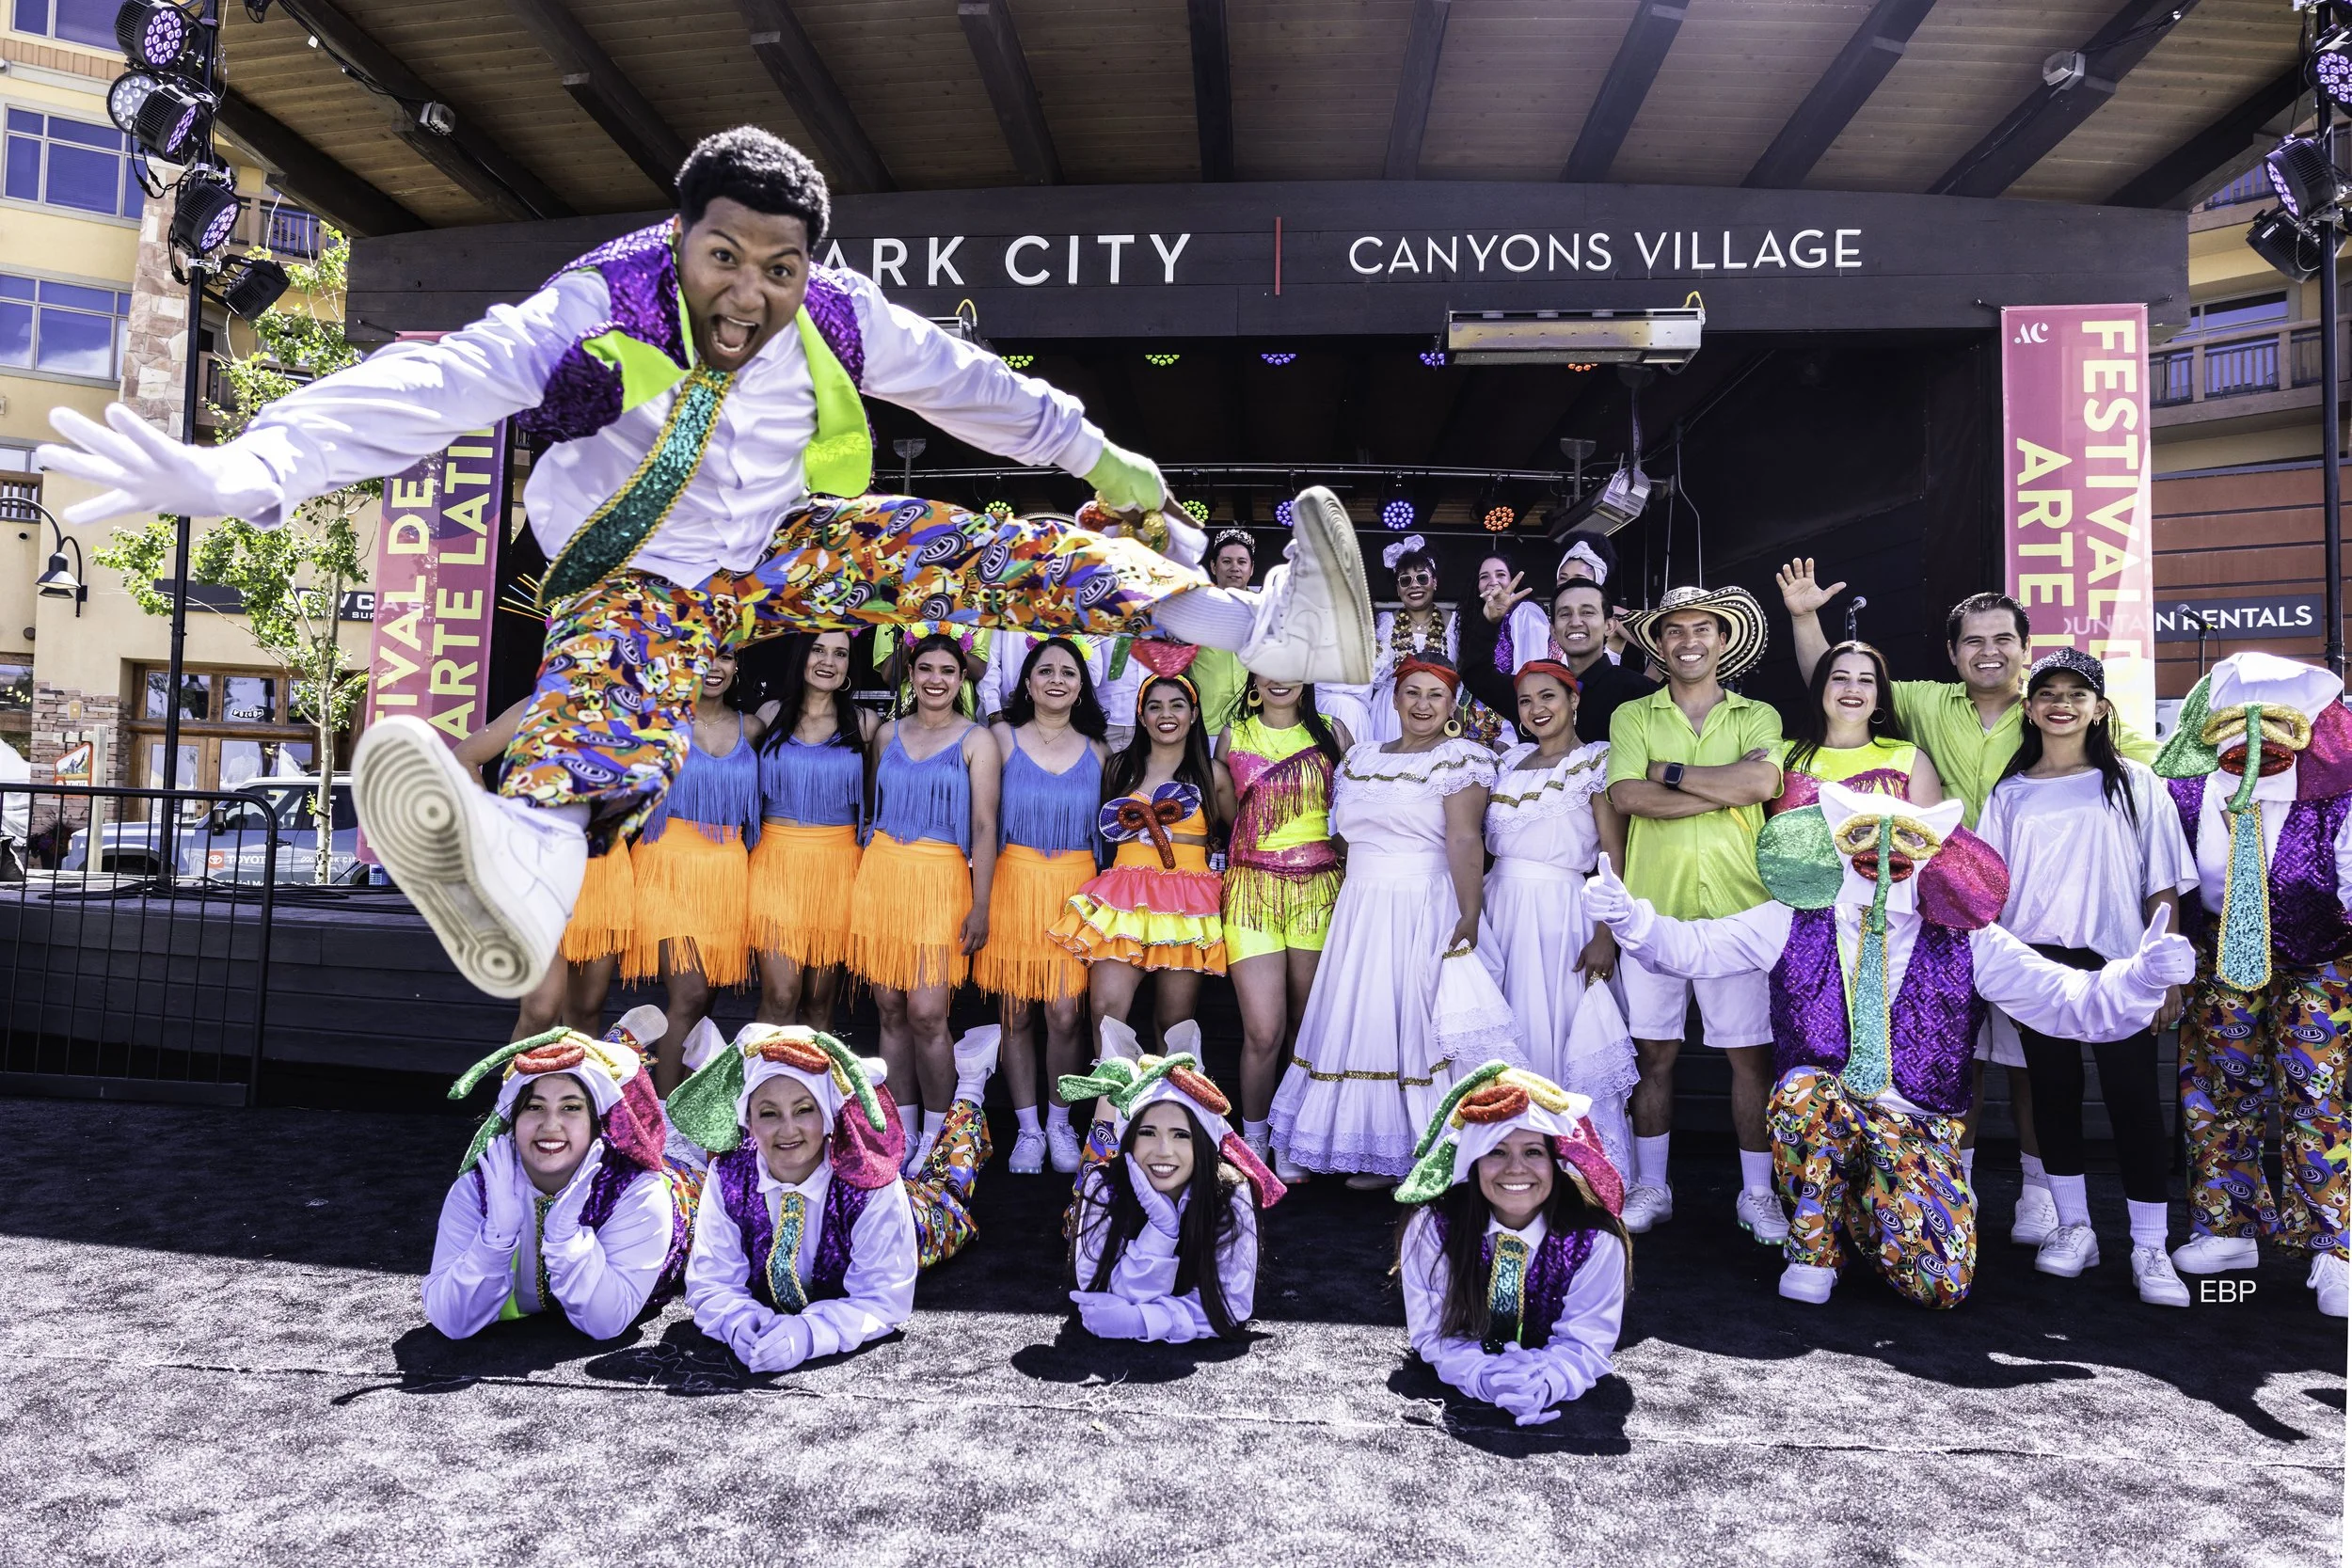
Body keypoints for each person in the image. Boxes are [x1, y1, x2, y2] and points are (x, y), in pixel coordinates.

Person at [40, 126, 1375, 1004]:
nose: (749, 294)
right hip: (640, 567)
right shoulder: (599, 303)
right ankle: (533, 855)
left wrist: (1107, 464)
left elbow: (982, 393)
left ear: (813, 268)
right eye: (725, 259)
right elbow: (439, 381)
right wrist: (252, 471)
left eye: (780, 270)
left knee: (968, 549)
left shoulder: (840, 318)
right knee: (613, 663)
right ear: (679, 240)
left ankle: (1259, 627)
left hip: (782, 548)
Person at [1586, 778, 2195, 1307]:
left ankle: (1863, 1212)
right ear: (1839, 845)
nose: (1883, 853)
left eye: (1903, 839)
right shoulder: (1789, 919)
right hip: (1829, 1111)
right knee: (1804, 1095)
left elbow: (2065, 997)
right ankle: (1815, 1245)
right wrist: (1628, 916)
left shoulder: (1970, 938)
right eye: (1864, 837)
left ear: (1931, 854)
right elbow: (1696, 948)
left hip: (1920, 1132)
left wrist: (2140, 975)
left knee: (1942, 1286)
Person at [1776, 563, 2158, 1243]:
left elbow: (2137, 772)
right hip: (1938, 914)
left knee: (2033, 1065)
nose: (1989, 650)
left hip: (2033, 916)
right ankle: (1955, 1179)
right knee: (1959, 1056)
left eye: (2003, 638)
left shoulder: (2054, 708)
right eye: (1973, 640)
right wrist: (1806, 619)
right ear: (1953, 654)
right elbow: (1840, 687)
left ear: (2023, 645)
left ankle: (2041, 1193)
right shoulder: (1926, 702)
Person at [1975, 650, 2195, 1305]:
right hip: (2034, 965)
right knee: (2052, 1093)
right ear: (2029, 706)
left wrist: (2165, 973)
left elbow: (2162, 883)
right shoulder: (2010, 794)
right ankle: (2076, 1229)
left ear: (2100, 706)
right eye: (2048, 692)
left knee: (2132, 1100)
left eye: (2078, 692)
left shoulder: (2135, 782)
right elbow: (1988, 888)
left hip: (2121, 966)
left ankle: (2151, 1247)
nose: (2062, 703)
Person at [2154, 652, 2352, 1318]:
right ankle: (2227, 1227)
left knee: (2315, 1095)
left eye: (2277, 722)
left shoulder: (2338, 792)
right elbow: (2168, 883)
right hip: (2221, 955)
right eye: (2241, 722)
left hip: (2319, 955)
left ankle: (2336, 1247)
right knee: (2216, 1090)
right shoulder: (2186, 792)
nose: (2258, 737)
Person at [1270, 657, 1495, 1188]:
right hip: (1362, 903)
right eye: (1411, 693)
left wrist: (1470, 912)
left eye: (1435, 696)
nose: (1421, 705)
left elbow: (1465, 839)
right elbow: (1343, 835)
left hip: (1422, 899)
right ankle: (1370, 1146)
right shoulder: (1360, 758)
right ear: (1392, 700)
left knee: (1413, 1021)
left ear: (1452, 706)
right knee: (1359, 1016)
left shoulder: (1461, 759)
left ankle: (1417, 1147)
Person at [1603, 585, 1783, 1241]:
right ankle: (1653, 1186)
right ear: (1659, 642)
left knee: (1749, 1059)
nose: (1688, 641)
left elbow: (1763, 784)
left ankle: (1757, 1194)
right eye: (1675, 631)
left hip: (1743, 908)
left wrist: (1670, 773)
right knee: (1653, 1053)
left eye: (1701, 628)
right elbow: (1626, 795)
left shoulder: (1757, 712)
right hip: (1655, 908)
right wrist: (1721, 786)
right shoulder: (1633, 714)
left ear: (1723, 637)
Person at [670, 1022, 1001, 1372]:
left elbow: (884, 1299)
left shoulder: (867, 1182)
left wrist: (810, 1334)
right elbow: (711, 1283)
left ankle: (970, 1085)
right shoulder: (729, 1176)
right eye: (769, 1113)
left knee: (947, 1187)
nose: (787, 1130)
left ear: (828, 1116)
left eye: (804, 1110)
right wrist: (737, 1322)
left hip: (915, 1218)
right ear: (748, 1121)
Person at [423, 1009, 695, 1339]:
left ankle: (626, 1050)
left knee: (692, 1153)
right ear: (514, 1119)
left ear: (598, 1124)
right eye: (534, 1107)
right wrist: (496, 1236)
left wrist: (567, 1239)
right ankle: (610, 1048)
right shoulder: (477, 1189)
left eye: (571, 1107)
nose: (549, 1126)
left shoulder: (636, 1189)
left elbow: (606, 1323)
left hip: (683, 1190)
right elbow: (451, 1321)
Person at [1392, 1061, 1629, 1426]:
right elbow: (1432, 1331)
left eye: (1533, 1151)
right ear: (1472, 1160)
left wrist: (1545, 1382)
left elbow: (1587, 1340)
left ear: (1555, 1162)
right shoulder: (1434, 1225)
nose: (1515, 1168)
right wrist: (1486, 1379)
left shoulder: (1594, 1237)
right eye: (1496, 1151)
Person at [1480, 660, 1637, 1178]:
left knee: (1556, 1025)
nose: (1536, 709)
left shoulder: (1595, 762)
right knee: (1508, 1028)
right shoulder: (1508, 762)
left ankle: (1570, 1158)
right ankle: (1503, 1150)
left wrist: (1604, 934)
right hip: (1500, 907)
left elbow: (1613, 854)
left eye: (1548, 696)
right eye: (1525, 701)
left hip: (1562, 912)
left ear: (1573, 702)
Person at [850, 632, 999, 1174]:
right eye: (926, 669)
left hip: (942, 878)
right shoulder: (886, 732)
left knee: (928, 1013)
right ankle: (902, 1130)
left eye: (948, 671)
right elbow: (871, 807)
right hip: (882, 875)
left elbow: (985, 826)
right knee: (888, 1010)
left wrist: (980, 904)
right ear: (910, 675)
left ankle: (939, 1133)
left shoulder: (976, 740)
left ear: (962, 680)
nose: (936, 680)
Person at [978, 637, 1111, 1176]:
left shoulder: (1100, 752)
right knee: (1015, 1013)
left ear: (1082, 688)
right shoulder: (1000, 739)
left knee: (1063, 1015)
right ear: (1027, 683)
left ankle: (1060, 1122)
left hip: (1073, 892)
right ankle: (1028, 1129)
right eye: (1045, 670)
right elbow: (982, 822)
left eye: (1069, 673)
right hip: (1013, 882)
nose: (1057, 679)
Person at [1050, 672, 1234, 1053]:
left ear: (1194, 714)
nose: (1166, 715)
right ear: (1142, 716)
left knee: (1174, 1022)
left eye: (1177, 705)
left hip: (1187, 903)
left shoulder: (1213, 774)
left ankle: (1168, 1108)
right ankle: (1110, 1110)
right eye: (1155, 707)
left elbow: (1238, 834)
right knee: (1105, 1009)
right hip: (1124, 898)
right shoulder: (1119, 768)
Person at [1058, 1046, 1286, 1342]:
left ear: (1202, 1145)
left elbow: (1232, 1307)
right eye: (1147, 1132)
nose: (1164, 1151)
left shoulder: (1230, 1193)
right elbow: (1093, 1296)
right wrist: (1161, 1231)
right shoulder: (1102, 1187)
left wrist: (1144, 1321)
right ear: (1129, 1140)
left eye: (1181, 1135)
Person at [1218, 673, 1352, 1171]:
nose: (1281, 678)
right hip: (1251, 891)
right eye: (1270, 665)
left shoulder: (1333, 733)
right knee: (1263, 1031)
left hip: (1318, 891)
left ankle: (1295, 1136)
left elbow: (1354, 813)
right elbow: (1227, 816)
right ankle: (1254, 1139)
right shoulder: (1234, 734)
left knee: (1307, 1026)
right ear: (1253, 676)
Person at [454, 695, 629, 1038]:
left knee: (585, 1012)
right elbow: (464, 758)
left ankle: (574, 1093)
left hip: (607, 871)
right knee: (541, 1010)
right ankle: (517, 1093)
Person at [631, 643, 761, 1094]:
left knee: (705, 1001)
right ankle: (662, 1125)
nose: (714, 666)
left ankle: (688, 1114)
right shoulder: (657, 723)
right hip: (667, 863)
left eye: (724, 656)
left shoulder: (755, 728)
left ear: (735, 666)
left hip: (728, 873)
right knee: (686, 995)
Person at [750, 629, 873, 1031]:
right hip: (774, 863)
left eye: (840, 654)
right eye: (818, 650)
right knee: (781, 995)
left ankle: (814, 1094)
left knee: (820, 1001)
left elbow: (874, 801)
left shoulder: (866, 724)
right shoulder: (768, 715)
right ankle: (760, 1088)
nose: (828, 661)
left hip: (839, 868)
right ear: (802, 657)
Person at [1771, 640, 1943, 814]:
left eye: (1866, 680)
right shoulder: (1781, 755)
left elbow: (1934, 836)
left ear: (1878, 698)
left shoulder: (1910, 759)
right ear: (1820, 689)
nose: (1853, 688)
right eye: (1840, 678)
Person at [1454, 545, 1555, 746]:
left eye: (1500, 574)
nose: (1493, 581)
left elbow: (1530, 678)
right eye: (1484, 577)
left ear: (1512, 581)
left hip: (1509, 731)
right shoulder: (1473, 619)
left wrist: (1511, 734)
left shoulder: (1525, 612)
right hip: (1473, 728)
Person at [1549, 576, 1655, 746]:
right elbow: (1490, 681)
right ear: (1553, 630)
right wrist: (1491, 622)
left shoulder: (1639, 693)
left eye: (1587, 612)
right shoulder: (1544, 691)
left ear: (1609, 626)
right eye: (1565, 614)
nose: (1575, 622)